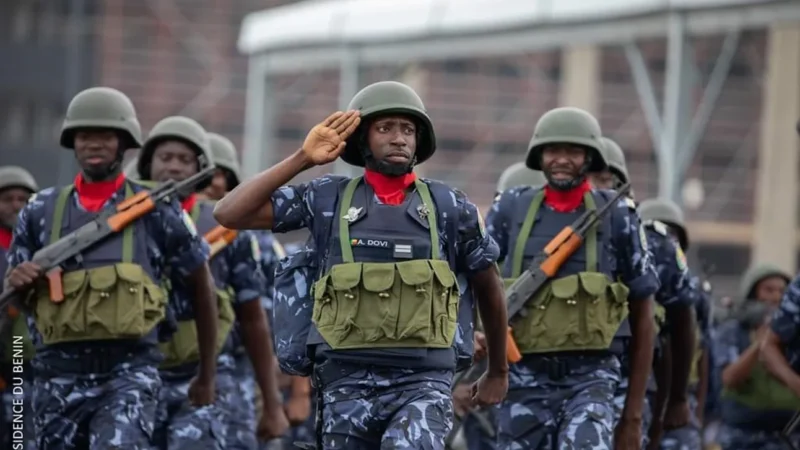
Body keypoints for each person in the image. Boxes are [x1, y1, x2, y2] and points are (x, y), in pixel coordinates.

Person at [213, 80, 510, 449]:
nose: (399, 138)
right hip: (345, 382)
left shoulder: (449, 206)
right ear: (361, 140)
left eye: (408, 129)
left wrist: (498, 370)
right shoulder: (327, 199)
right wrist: (302, 158)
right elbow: (228, 212)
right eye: (385, 128)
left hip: (423, 381)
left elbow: (489, 284)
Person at [3, 87, 218, 450]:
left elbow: (202, 287)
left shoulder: (156, 209)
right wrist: (19, 281)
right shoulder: (40, 209)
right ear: (73, 141)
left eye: (106, 135)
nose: (95, 144)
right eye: (86, 135)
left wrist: (207, 375)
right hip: (57, 374)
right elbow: (21, 298)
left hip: (128, 373)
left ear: (124, 143)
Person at [485, 107, 660, 449]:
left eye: (573, 152)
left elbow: (644, 310)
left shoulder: (619, 215)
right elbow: (473, 280)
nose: (562, 159)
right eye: (553, 150)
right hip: (522, 378)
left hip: (591, 379)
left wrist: (633, 416)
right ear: (539, 156)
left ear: (589, 158)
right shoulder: (510, 207)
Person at [136, 118, 287, 449]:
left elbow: (253, 319)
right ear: (148, 163)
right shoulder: (125, 222)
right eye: (166, 158)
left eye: (184, 160)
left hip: (210, 372)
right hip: (139, 371)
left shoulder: (228, 229)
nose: (174, 167)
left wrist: (272, 404)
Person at [635, 198, 703, 450]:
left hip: (656, 386)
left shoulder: (690, 294)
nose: (665, 240)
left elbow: (692, 345)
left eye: (673, 234)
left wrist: (680, 399)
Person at [718, 263, 799, 449]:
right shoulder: (733, 331)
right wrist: (761, 344)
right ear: (753, 292)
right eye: (768, 290)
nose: (776, 297)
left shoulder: (792, 333)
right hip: (743, 438)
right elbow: (729, 378)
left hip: (788, 437)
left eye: (781, 291)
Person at [0, 166, 37, 450]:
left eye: (23, 199)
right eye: (8, 199)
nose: (16, 206)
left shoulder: (40, 248)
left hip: (24, 355)